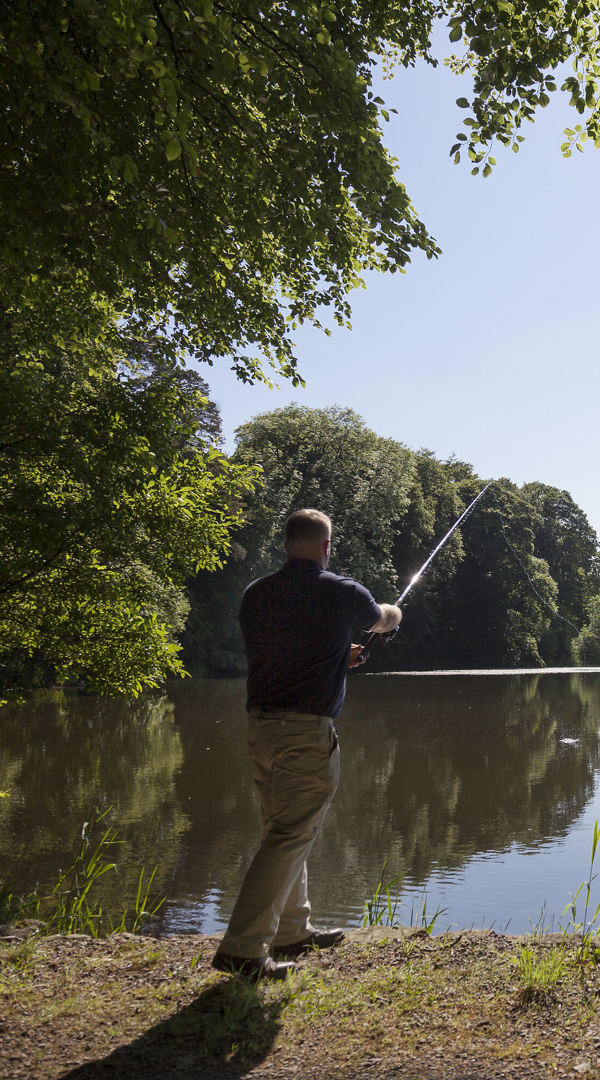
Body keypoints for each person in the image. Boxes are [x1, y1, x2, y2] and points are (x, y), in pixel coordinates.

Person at [212, 508, 402, 980]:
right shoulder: (341, 590)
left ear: (285, 545)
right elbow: (381, 619)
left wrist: (338, 656)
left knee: (280, 829)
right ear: (325, 546)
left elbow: (289, 647)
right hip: (305, 732)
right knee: (289, 835)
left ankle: (292, 931)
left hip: (260, 727)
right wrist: (394, 613)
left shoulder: (257, 593)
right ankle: (242, 949)